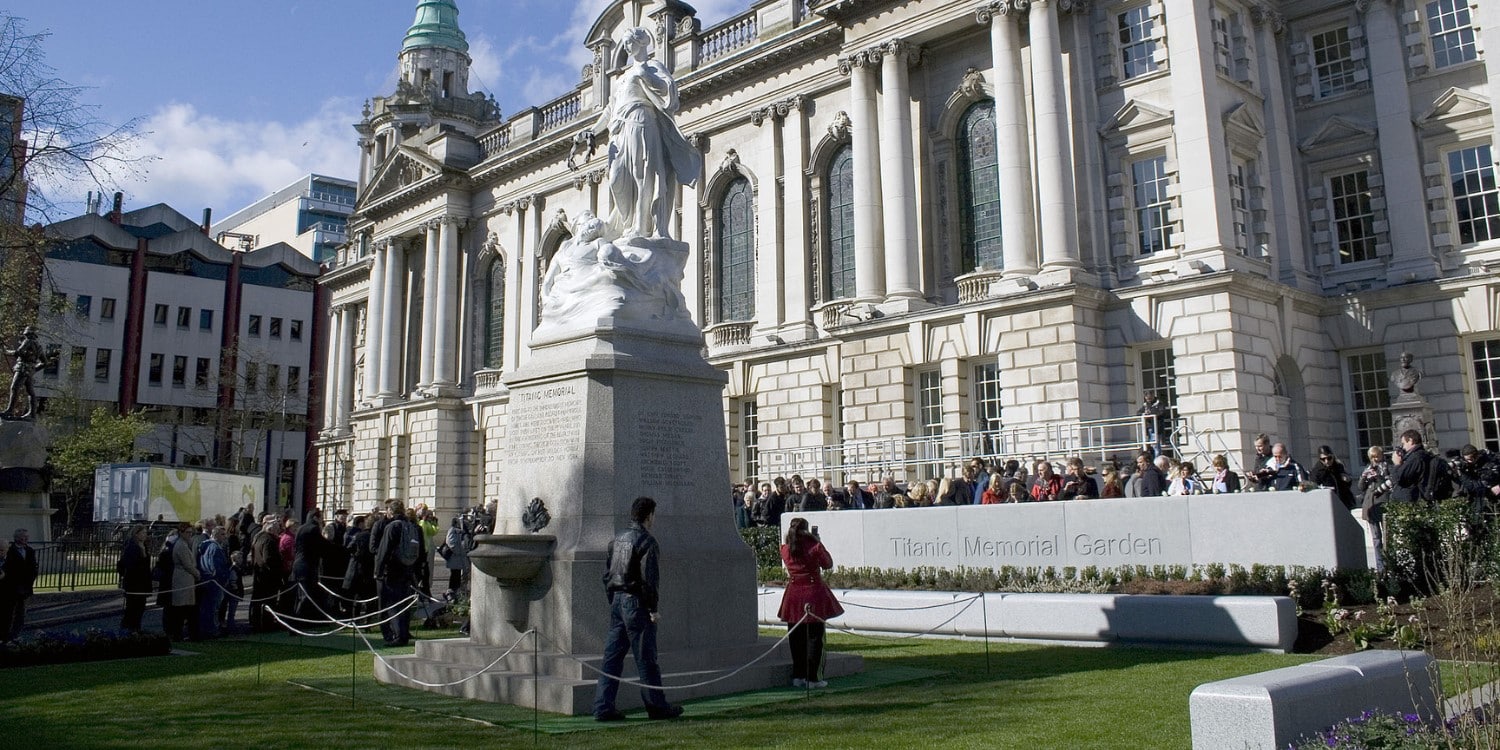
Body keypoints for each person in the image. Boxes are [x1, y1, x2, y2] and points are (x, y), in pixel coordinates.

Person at [578, 26, 700, 240]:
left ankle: (641, 226)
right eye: (624, 42)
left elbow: (669, 90)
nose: (626, 46)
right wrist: (592, 130)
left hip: (641, 120)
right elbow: (610, 110)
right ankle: (627, 223)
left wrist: (646, 76)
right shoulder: (622, 78)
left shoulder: (652, 66)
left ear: (642, 42)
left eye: (629, 41)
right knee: (616, 177)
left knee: (642, 173)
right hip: (619, 128)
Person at [594, 496, 682, 722]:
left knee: (611, 657)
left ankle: (603, 706)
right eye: (653, 514)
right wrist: (653, 609)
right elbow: (649, 580)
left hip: (617, 601)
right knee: (646, 658)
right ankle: (656, 706)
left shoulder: (616, 539)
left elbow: (607, 575)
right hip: (636, 603)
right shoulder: (647, 542)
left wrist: (613, 600)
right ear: (649, 515)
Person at [778, 517, 844, 689]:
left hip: (793, 593)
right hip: (813, 591)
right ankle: (813, 677)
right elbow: (827, 564)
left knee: (796, 638)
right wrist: (818, 542)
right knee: (815, 637)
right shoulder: (814, 546)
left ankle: (798, 675)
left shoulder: (785, 549)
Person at [375, 500, 419, 647]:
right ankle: (404, 633)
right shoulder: (411, 526)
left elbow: (384, 550)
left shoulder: (392, 526)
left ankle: (398, 636)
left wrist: (378, 570)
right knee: (404, 603)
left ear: (391, 512)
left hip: (393, 569)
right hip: (407, 568)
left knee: (393, 604)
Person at [162, 522, 200, 641]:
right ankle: (179, 634)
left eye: (191, 532)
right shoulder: (181, 545)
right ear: (181, 532)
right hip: (182, 578)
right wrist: (197, 574)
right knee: (181, 609)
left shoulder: (184, 543)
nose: (189, 534)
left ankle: (185, 633)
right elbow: (187, 564)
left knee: (187, 609)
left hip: (186, 578)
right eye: (187, 532)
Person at [1358, 446, 1393, 573]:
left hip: (1383, 504)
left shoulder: (1386, 467)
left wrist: (1378, 477)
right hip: (1371, 506)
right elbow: (1361, 487)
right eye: (1372, 457)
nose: (1375, 459)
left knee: (1388, 537)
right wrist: (1364, 476)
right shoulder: (1368, 469)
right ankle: (1380, 567)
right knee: (1376, 539)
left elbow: (1390, 483)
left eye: (1377, 456)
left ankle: (1390, 564)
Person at [0, 528, 39, 641]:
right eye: (23, 537)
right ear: (16, 538)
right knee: (8, 613)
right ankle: (6, 636)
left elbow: (33, 568)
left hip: (25, 587)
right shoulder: (9, 550)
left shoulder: (30, 551)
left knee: (21, 614)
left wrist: (30, 581)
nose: (26, 539)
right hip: (11, 587)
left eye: (27, 537)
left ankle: (15, 635)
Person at [250, 513, 285, 632]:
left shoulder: (259, 537)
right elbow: (268, 559)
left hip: (260, 575)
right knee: (268, 601)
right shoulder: (269, 540)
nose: (279, 530)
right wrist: (277, 569)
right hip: (268, 577)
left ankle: (257, 623)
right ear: (271, 529)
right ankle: (266, 625)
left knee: (259, 601)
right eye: (277, 528)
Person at [3, 326, 46, 419]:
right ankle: (32, 414)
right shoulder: (39, 346)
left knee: (14, 388)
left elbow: (18, 352)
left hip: (22, 369)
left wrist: (5, 351)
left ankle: (9, 411)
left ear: (28, 334)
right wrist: (33, 369)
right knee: (30, 391)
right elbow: (44, 362)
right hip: (29, 371)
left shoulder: (28, 341)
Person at [196, 526, 230, 638]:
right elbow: (217, 567)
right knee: (213, 607)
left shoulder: (204, 546)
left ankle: (204, 628)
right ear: (215, 535)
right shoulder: (215, 548)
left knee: (206, 606)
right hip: (215, 582)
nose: (225, 537)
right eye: (222, 534)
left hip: (205, 579)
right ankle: (211, 630)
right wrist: (224, 579)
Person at [117, 525, 153, 631]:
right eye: (143, 533)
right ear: (137, 534)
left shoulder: (143, 546)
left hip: (142, 583)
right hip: (134, 584)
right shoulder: (132, 547)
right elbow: (129, 565)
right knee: (132, 609)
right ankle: (127, 631)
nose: (145, 535)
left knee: (140, 608)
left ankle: (136, 629)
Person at [1390, 430, 1431, 503]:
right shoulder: (1421, 455)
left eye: (1403, 444)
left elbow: (1398, 479)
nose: (1403, 447)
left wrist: (1397, 464)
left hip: (1412, 500)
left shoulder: (1415, 457)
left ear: (1410, 441)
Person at [443, 516, 469, 593]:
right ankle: (452, 590)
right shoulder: (452, 530)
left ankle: (456, 590)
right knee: (454, 574)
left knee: (457, 574)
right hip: (454, 557)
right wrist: (459, 551)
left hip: (459, 557)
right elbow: (451, 543)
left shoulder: (459, 531)